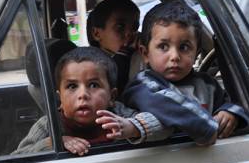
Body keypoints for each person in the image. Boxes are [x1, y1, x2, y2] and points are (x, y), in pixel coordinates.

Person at [122, 1, 249, 146]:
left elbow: (234, 102)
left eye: (184, 47)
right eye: (163, 46)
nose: (174, 56)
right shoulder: (141, 86)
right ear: (145, 53)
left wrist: (230, 113)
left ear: (196, 53)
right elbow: (168, 104)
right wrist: (207, 130)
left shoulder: (207, 84)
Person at [14, 47, 168, 156]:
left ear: (112, 97)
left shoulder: (119, 117)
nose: (83, 94)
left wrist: (133, 127)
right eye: (72, 86)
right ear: (60, 98)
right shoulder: (50, 124)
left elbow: (166, 127)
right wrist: (53, 142)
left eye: (93, 85)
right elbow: (17, 156)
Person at [86, 0, 140, 93]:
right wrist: (124, 52)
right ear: (97, 34)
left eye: (135, 27)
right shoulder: (90, 65)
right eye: (120, 27)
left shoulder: (139, 53)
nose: (130, 33)